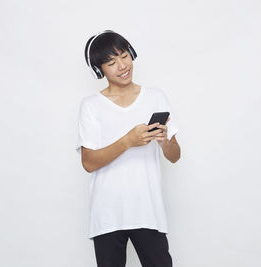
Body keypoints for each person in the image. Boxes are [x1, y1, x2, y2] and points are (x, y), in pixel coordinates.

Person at [76, 30, 181, 267]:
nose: (122, 66)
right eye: (112, 62)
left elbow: (175, 156)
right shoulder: (91, 106)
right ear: (99, 70)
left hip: (148, 210)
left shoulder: (155, 97)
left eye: (124, 56)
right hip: (107, 214)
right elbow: (88, 162)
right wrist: (127, 141)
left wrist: (165, 141)